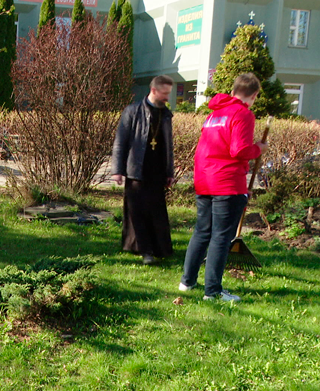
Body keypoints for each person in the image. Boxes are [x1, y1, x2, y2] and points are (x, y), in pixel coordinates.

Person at [179, 73, 268, 302]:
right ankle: (213, 291)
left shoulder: (214, 115)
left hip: (205, 179)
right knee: (221, 237)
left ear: (234, 89)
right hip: (227, 182)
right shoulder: (243, 114)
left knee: (202, 232)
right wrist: (258, 148)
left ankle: (187, 282)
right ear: (254, 95)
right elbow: (238, 150)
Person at [110, 75, 175, 265]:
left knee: (156, 211)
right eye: (164, 94)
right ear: (154, 91)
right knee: (137, 211)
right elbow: (120, 141)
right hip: (136, 169)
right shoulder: (132, 111)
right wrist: (117, 170)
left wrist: (169, 172)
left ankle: (159, 248)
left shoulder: (166, 114)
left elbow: (168, 147)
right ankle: (145, 250)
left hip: (157, 171)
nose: (167, 98)